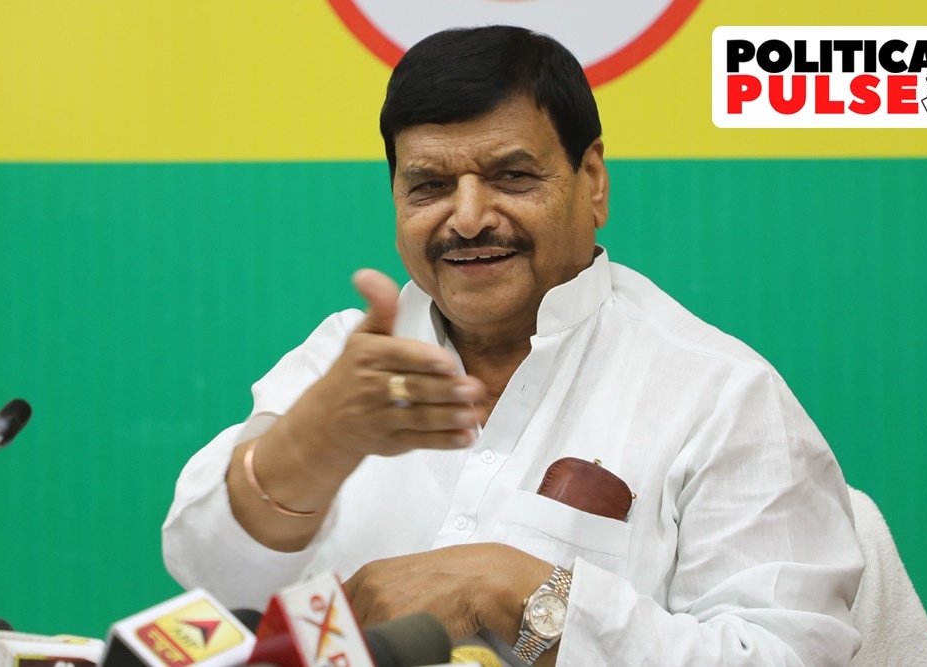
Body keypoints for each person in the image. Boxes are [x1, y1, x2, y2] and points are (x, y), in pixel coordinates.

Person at [163, 25, 864, 666]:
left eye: (512, 176)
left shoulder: (719, 394)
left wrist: (510, 591)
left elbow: (786, 656)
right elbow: (209, 578)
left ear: (593, 182)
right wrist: (310, 445)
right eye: (430, 186)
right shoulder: (349, 360)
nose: (468, 218)